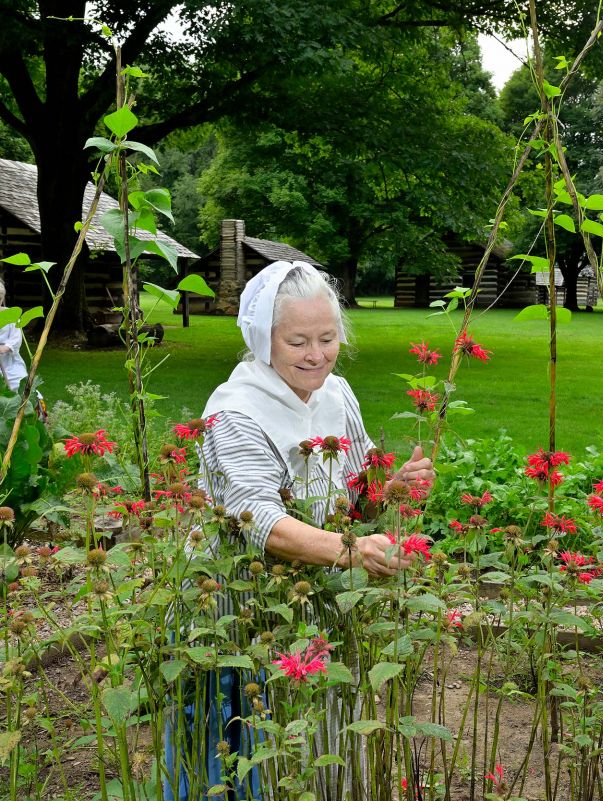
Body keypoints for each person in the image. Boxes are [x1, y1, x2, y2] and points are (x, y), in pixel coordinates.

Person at [163, 260, 434, 800]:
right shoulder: (236, 413)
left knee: (309, 744)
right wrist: (352, 551)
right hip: (233, 609)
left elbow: (357, 489)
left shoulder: (337, 393)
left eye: (328, 338)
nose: (317, 355)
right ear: (263, 339)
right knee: (239, 747)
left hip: (309, 597)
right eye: (298, 341)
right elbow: (261, 523)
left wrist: (395, 485)